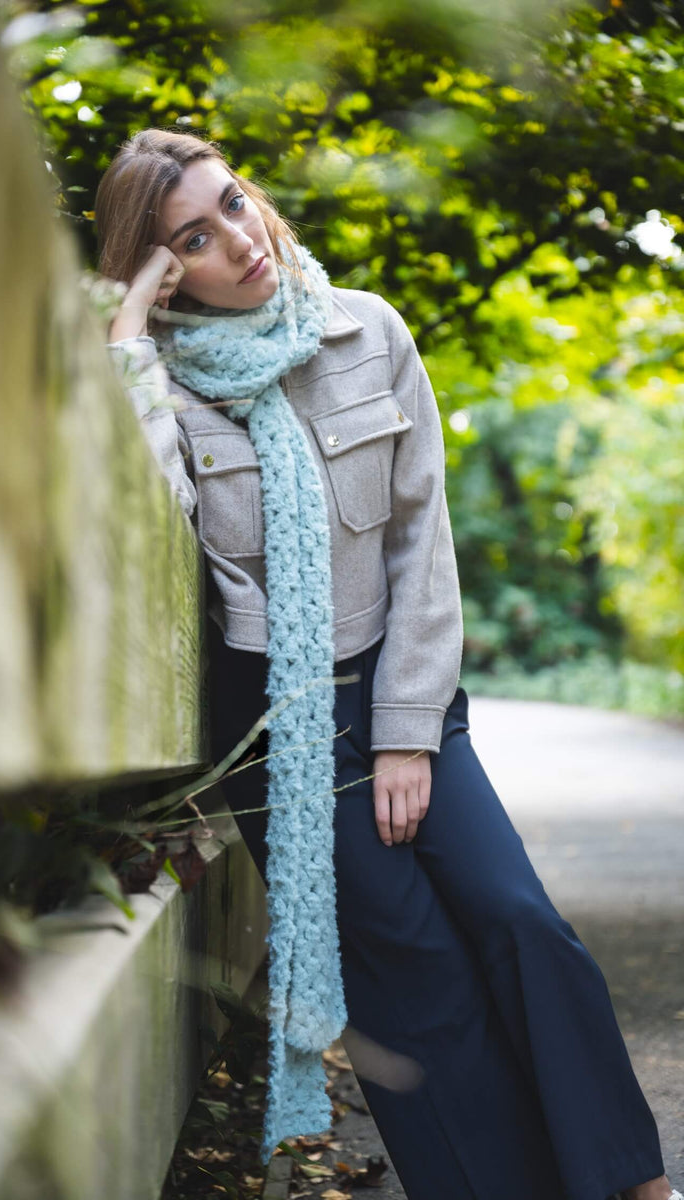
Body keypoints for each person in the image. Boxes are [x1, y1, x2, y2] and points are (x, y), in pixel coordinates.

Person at [96, 128, 678, 1200]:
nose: (239, 239)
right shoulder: (162, 389)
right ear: (162, 270)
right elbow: (151, 527)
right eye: (194, 238)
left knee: (517, 920)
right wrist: (129, 336)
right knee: (413, 976)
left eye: (234, 203)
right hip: (275, 723)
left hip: (399, 682)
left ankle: (628, 1181)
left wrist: (408, 731)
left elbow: (420, 543)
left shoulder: (365, 331)